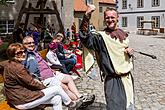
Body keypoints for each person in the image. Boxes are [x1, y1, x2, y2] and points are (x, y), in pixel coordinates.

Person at [79, 5, 134, 110]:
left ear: (117, 18)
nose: (110, 20)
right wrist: (87, 15)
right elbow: (84, 37)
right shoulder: (100, 37)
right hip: (113, 80)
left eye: (112, 17)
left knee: (128, 106)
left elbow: (121, 53)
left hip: (127, 79)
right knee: (114, 107)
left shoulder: (123, 34)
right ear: (104, 19)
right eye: (107, 17)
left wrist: (129, 52)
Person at [0, 43, 81, 110]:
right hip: (21, 100)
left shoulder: (8, 63)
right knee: (57, 89)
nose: (23, 54)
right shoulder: (18, 67)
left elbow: (2, 64)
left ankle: (70, 103)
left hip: (17, 97)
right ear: (12, 55)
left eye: (23, 51)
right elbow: (31, 83)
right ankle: (71, 104)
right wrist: (45, 88)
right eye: (19, 53)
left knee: (57, 98)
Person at [22, 36, 95, 105]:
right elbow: (27, 71)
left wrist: (52, 70)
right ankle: (78, 101)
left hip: (51, 73)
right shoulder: (25, 55)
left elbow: (44, 63)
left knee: (68, 78)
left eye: (33, 42)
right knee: (64, 87)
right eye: (29, 43)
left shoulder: (35, 52)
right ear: (24, 44)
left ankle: (79, 96)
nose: (32, 44)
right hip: (45, 78)